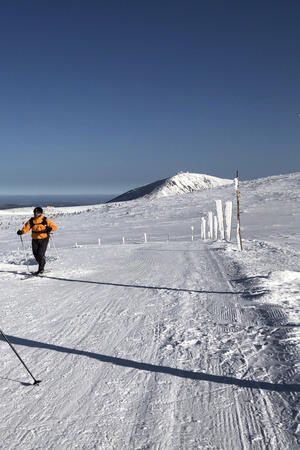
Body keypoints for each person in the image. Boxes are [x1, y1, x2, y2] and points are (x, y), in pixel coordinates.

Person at [17, 206, 57, 275]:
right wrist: (21, 232)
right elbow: (26, 228)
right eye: (34, 212)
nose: (35, 213)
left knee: (41, 254)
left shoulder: (45, 219)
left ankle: (41, 269)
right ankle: (42, 262)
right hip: (35, 239)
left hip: (44, 238)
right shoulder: (31, 220)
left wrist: (50, 229)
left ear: (40, 213)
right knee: (35, 253)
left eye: (37, 212)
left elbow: (54, 227)